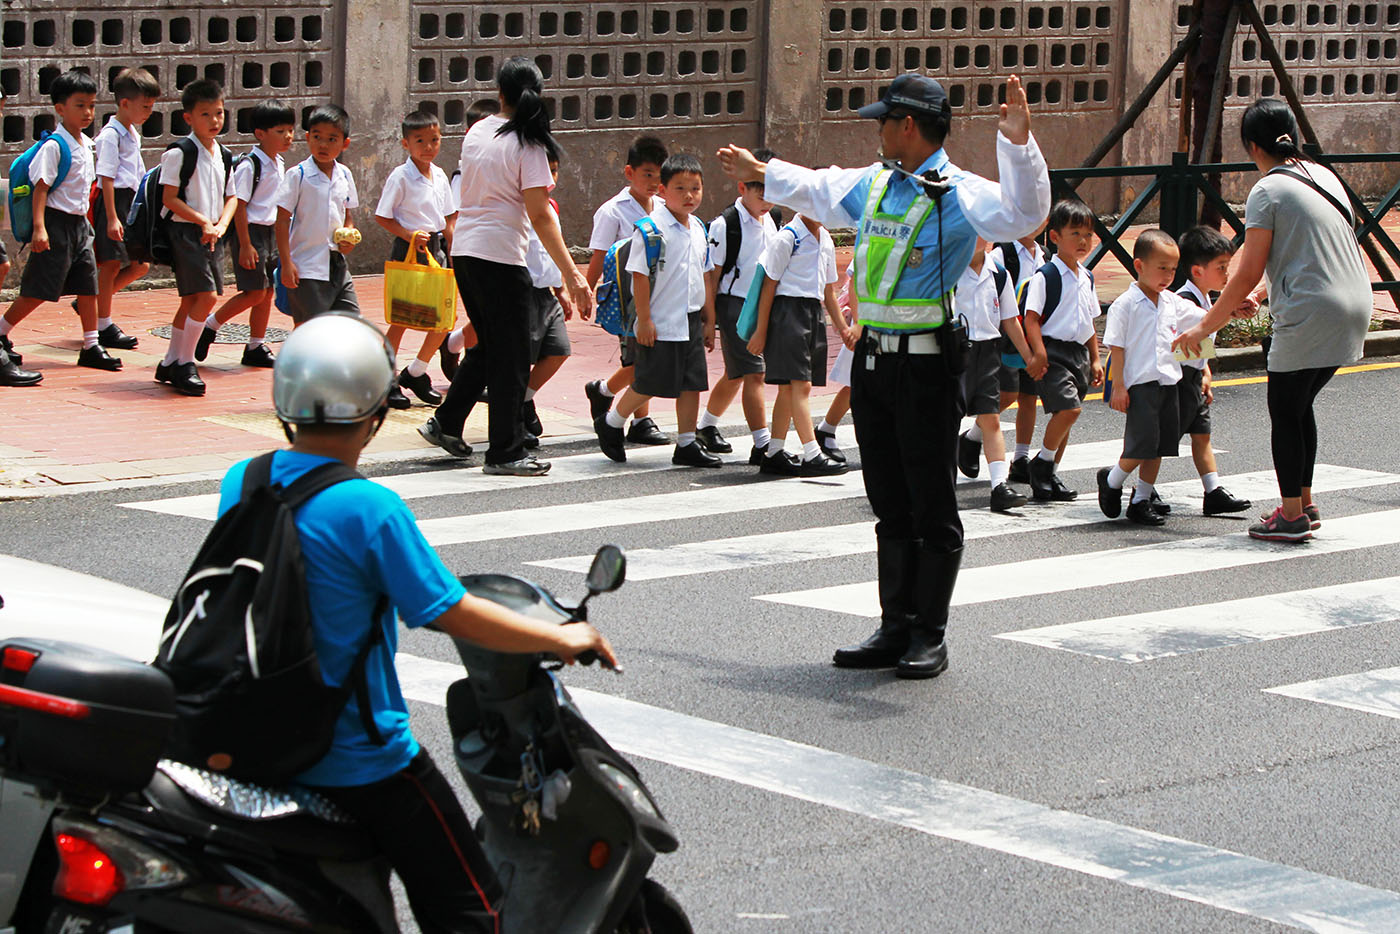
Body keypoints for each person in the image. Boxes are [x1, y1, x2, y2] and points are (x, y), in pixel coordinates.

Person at [219, 312, 616, 934]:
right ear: (377, 409)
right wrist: (561, 635)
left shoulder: (243, 481)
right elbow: (449, 611)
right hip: (355, 754)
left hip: (256, 730)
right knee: (471, 909)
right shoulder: (368, 508)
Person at [718, 72, 1050, 679]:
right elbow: (819, 188)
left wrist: (1018, 146)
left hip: (926, 369)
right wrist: (762, 171)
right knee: (889, 501)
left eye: (885, 120)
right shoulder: (875, 184)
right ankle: (895, 625)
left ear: (908, 126)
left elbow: (1024, 213)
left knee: (931, 502)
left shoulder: (959, 192)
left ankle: (929, 634)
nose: (878, 130)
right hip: (873, 364)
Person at [1176, 98, 1371, 543]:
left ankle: (1290, 516)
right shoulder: (1323, 175)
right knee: (1298, 405)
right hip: (1355, 302)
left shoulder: (1267, 191)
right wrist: (1262, 294)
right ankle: (1304, 503)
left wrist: (1205, 326)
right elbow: (1313, 247)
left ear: (1251, 146)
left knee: (1284, 410)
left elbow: (1247, 269)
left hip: (1310, 311)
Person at [424, 57, 591, 476]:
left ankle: (446, 422)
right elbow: (541, 214)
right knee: (513, 359)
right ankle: (505, 451)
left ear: (500, 92)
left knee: (488, 346)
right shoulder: (529, 144)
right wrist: (573, 275)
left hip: (466, 251)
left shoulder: (479, 131)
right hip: (500, 256)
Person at [593, 153, 718, 468]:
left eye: (695, 188)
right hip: (660, 320)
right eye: (680, 188)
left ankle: (686, 442)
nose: (689, 196)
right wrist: (645, 320)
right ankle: (612, 421)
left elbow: (704, 274)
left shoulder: (698, 228)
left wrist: (709, 318)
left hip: (690, 317)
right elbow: (638, 275)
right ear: (662, 191)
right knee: (651, 381)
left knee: (692, 382)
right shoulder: (650, 230)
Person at [0, 70, 119, 374]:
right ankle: (1, 331)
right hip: (55, 226)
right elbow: (41, 189)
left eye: (91, 105)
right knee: (38, 290)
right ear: (60, 108)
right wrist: (40, 229)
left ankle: (91, 346)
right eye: (80, 105)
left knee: (89, 286)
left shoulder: (87, 144)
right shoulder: (55, 146)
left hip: (80, 227)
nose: (87, 112)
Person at [745, 211, 850, 476]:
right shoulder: (788, 238)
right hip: (787, 313)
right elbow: (769, 285)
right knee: (800, 385)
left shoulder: (825, 238)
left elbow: (829, 291)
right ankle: (812, 454)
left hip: (812, 313)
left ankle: (774, 452)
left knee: (788, 388)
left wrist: (843, 329)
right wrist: (761, 331)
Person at [582, 135, 671, 448]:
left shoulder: (665, 207)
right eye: (647, 175)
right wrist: (585, 291)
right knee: (638, 358)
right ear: (629, 172)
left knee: (646, 355)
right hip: (625, 297)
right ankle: (636, 416)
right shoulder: (613, 211)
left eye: (659, 176)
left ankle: (605, 393)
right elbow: (598, 256)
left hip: (658, 295)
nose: (654, 183)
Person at [196, 99, 296, 369]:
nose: (288, 136)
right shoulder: (250, 165)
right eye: (280, 131)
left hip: (270, 232)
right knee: (253, 292)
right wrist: (245, 244)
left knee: (266, 292)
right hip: (250, 233)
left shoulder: (278, 162)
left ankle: (255, 345)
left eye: (290, 130)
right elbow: (239, 205)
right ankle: (210, 326)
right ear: (260, 134)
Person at [1094, 230, 1184, 526]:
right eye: (1162, 268)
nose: (1168, 276)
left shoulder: (1171, 302)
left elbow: (1196, 326)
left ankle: (1141, 499)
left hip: (1168, 383)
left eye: (1173, 269)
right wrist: (1118, 386)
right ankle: (1112, 479)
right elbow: (1116, 349)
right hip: (1140, 385)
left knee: (1160, 446)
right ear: (1139, 265)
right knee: (1142, 444)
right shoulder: (1126, 304)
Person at [155, 79, 237, 396]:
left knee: (192, 299)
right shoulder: (180, 152)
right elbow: (169, 198)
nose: (214, 120)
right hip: (186, 232)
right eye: (206, 114)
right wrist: (202, 221)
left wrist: (221, 224)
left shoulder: (224, 154)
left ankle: (170, 361)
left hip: (213, 233)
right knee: (207, 297)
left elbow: (232, 196)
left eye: (219, 113)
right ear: (188, 117)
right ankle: (185, 363)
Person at [698, 149, 779, 461]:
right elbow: (713, 276)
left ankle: (706, 426)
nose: (767, 202)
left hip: (761, 305)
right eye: (761, 193)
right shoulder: (726, 224)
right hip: (734, 305)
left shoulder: (773, 219)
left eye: (772, 193)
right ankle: (762, 444)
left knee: (737, 374)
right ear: (742, 187)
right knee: (755, 373)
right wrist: (710, 319)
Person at [1020, 199, 1103, 501]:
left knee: (1066, 417)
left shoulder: (1087, 276)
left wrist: (1096, 358)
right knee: (1069, 410)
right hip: (1053, 354)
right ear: (1055, 236)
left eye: (1088, 235)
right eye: (1075, 234)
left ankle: (1050, 473)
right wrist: (1039, 352)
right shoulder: (1046, 276)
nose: (1083, 241)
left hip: (1078, 355)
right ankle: (1041, 465)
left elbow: (1089, 321)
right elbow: (1031, 318)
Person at [375, 109, 457, 410]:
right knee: (402, 318)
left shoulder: (440, 175)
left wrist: (453, 248)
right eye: (420, 140)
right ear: (405, 144)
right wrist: (409, 235)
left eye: (434, 139)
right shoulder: (401, 176)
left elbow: (449, 217)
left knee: (444, 319)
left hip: (436, 250)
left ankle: (416, 372)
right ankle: (385, 378)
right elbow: (382, 216)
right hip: (409, 250)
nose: (428, 147)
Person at [954, 237, 1042, 511]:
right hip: (955, 352)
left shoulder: (999, 274)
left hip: (988, 353)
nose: (975, 236)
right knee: (947, 419)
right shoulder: (948, 269)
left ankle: (999, 486)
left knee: (991, 419)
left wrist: (1028, 356)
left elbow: (1010, 320)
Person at [1172, 225, 1252, 516]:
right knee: (1161, 439)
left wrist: (1205, 371)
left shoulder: (1206, 299)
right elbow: (1183, 343)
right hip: (1176, 380)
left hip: (1193, 378)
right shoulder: (1184, 301)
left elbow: (1201, 342)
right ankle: (1126, 481)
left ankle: (1213, 490)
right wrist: (1230, 312)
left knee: (1201, 435)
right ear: (1197, 271)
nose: (1227, 274)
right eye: (1221, 267)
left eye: (1227, 266)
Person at [91, 66, 159, 352]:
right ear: (125, 103)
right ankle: (103, 324)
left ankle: (93, 303)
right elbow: (106, 177)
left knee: (140, 265)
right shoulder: (110, 135)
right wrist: (111, 217)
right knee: (109, 263)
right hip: (113, 202)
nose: (149, 112)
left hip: (129, 201)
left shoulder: (131, 132)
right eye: (145, 106)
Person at [275, 104, 361, 327]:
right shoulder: (298, 175)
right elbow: (282, 221)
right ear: (307, 137)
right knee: (310, 329)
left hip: (337, 266)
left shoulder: (344, 174)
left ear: (345, 143)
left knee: (352, 322)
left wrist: (349, 235)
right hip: (306, 266)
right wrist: (286, 263)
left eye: (332, 139)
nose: (323, 145)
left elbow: (347, 214)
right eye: (317, 137)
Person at [438, 99, 499, 381]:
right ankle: (472, 373)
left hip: (495, 250)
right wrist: (454, 255)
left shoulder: (500, 168)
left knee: (490, 315)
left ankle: (453, 344)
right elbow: (452, 220)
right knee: (485, 315)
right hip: (471, 253)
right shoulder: (463, 174)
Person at [521, 156, 576, 447]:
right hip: (523, 290)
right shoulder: (520, 206)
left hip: (547, 292)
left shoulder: (551, 207)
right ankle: (514, 416)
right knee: (521, 358)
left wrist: (561, 288)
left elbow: (553, 249)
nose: (550, 177)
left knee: (558, 350)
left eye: (554, 171)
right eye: (544, 171)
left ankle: (524, 398)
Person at [989, 224, 1047, 481]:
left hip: (1033, 333)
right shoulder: (1003, 253)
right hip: (1006, 334)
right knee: (1008, 392)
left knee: (1028, 396)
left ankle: (1021, 457)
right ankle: (973, 436)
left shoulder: (1044, 255)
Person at [813, 267, 862, 463]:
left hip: (890, 321)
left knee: (858, 383)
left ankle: (827, 428)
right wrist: (857, 323)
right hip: (868, 323)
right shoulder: (868, 248)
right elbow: (855, 282)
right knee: (856, 382)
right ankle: (827, 428)